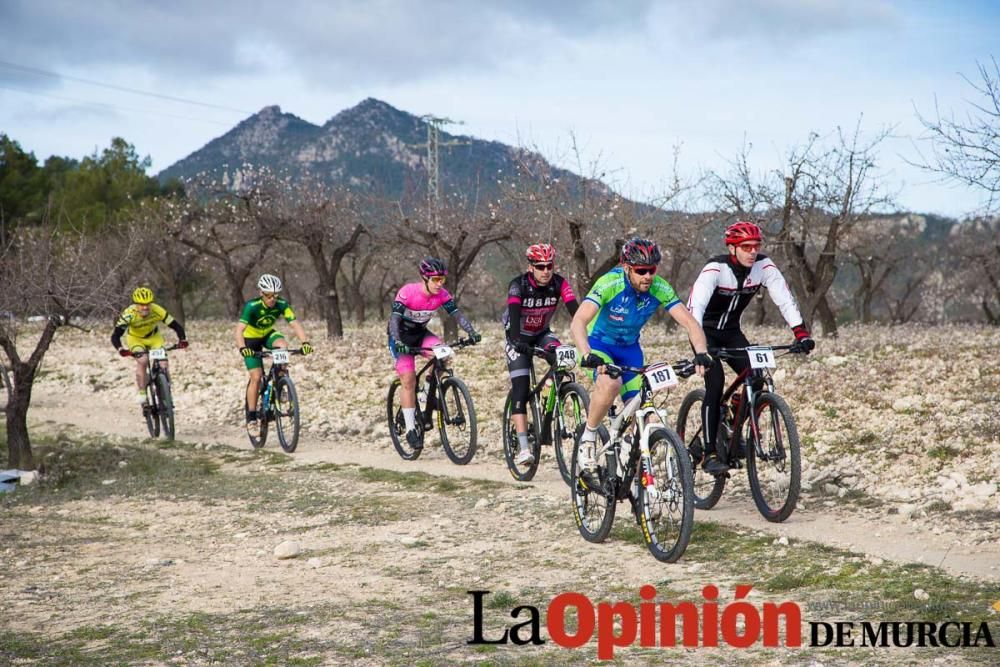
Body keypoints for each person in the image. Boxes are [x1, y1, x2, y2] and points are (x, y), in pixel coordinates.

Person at [570, 238, 712, 472]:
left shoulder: (659, 287)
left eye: (652, 270)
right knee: (610, 383)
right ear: (627, 268)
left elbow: (690, 323)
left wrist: (701, 353)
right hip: (599, 345)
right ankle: (588, 437)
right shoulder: (609, 283)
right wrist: (586, 353)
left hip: (630, 350)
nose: (648, 276)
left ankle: (628, 451)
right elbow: (578, 321)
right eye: (641, 271)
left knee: (650, 419)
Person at [687, 220, 816, 475]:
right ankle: (710, 452)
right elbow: (696, 309)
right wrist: (701, 351)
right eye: (745, 246)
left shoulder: (763, 267)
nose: (752, 251)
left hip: (732, 333)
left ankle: (732, 424)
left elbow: (784, 299)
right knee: (715, 381)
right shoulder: (715, 269)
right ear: (732, 248)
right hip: (704, 333)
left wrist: (800, 333)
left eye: (755, 246)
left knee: (756, 377)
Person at [388, 257, 481, 450]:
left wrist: (471, 331)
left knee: (444, 354)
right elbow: (394, 320)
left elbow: (457, 315)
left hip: (421, 334)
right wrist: (398, 341)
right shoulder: (408, 292)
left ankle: (425, 394)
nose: (439, 284)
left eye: (442, 280)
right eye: (435, 280)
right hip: (401, 337)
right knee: (408, 380)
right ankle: (411, 429)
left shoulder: (442, 294)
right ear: (424, 278)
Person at [503, 243, 580, 465]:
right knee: (521, 387)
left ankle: (550, 398)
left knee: (562, 360)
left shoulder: (559, 283)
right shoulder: (518, 285)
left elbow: (577, 312)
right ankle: (524, 448)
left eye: (549, 266)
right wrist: (517, 342)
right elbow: (515, 315)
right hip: (517, 336)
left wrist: (588, 335)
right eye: (540, 266)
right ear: (531, 267)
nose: (546, 271)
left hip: (542, 334)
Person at [236, 274, 313, 430]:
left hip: (267, 334)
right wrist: (243, 348)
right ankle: (251, 418)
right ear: (261, 293)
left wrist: (305, 343)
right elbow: (239, 330)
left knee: (282, 344)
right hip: (250, 340)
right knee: (256, 377)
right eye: (268, 296)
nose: (272, 299)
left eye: (275, 296)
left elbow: (295, 324)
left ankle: (280, 380)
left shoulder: (282, 304)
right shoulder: (252, 306)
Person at [111, 286, 188, 409]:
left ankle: (165, 391)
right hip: (135, 339)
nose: (145, 307)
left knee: (163, 363)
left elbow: (175, 326)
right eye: (141, 304)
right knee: (143, 360)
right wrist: (121, 349)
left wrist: (182, 340)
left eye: (148, 304)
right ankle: (142, 393)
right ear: (136, 305)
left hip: (154, 337)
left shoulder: (157, 310)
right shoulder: (129, 315)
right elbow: (116, 335)